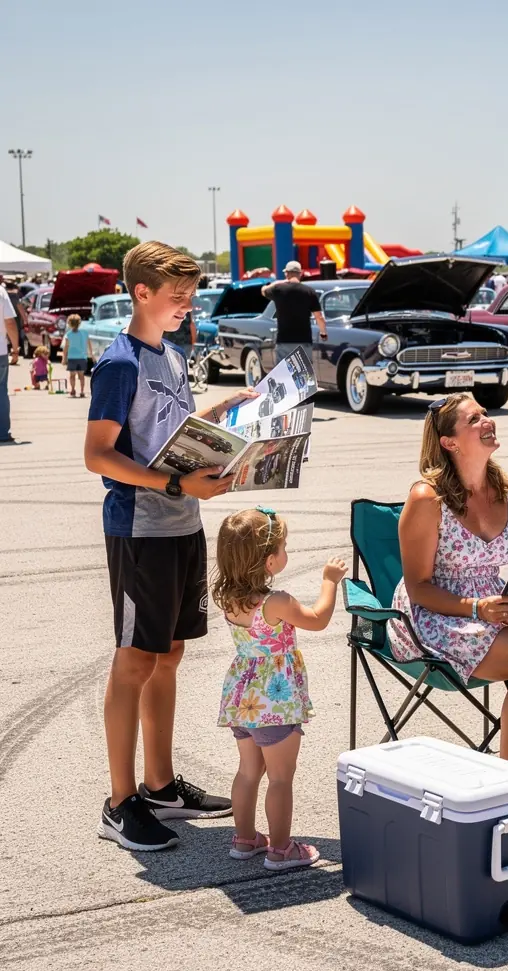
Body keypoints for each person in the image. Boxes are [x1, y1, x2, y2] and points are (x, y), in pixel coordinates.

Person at [84, 241, 258, 852]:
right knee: (135, 657)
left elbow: (166, 427)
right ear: (142, 293)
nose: (189, 305)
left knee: (171, 652)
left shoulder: (173, 355)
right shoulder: (119, 363)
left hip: (183, 521)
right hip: (140, 527)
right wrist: (179, 481)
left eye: (191, 295)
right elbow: (98, 455)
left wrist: (222, 409)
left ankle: (160, 787)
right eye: (178, 296)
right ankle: (119, 801)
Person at [388, 393, 508, 798]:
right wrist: (475, 607)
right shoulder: (428, 499)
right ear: (450, 442)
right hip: (436, 613)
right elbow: (417, 587)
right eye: (475, 419)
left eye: (485, 414)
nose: (487, 421)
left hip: (496, 602)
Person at [212, 507, 347, 870]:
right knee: (281, 778)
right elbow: (318, 620)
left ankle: (244, 839)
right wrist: (330, 581)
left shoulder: (230, 598)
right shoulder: (277, 602)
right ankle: (282, 849)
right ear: (270, 562)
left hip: (244, 699)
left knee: (248, 771)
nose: (287, 552)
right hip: (275, 702)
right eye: (284, 547)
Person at [261, 260, 327, 365]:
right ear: (300, 274)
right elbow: (319, 317)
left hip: (284, 341)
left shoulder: (278, 289)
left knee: (283, 375)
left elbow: (263, 290)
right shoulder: (310, 292)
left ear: (287, 273)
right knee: (304, 376)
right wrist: (323, 333)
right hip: (304, 341)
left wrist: (279, 282)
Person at [62, 313, 94, 398]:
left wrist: (64, 358)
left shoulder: (68, 335)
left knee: (72, 375)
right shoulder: (84, 333)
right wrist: (92, 354)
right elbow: (89, 344)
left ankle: (73, 389)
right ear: (79, 323)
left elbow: (66, 347)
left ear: (69, 323)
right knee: (81, 376)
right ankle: (82, 391)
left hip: (72, 357)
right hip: (82, 357)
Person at [1, 284, 16, 442]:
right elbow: (10, 323)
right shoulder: (1, 292)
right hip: (0, 351)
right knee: (1, 392)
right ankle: (2, 433)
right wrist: (16, 347)